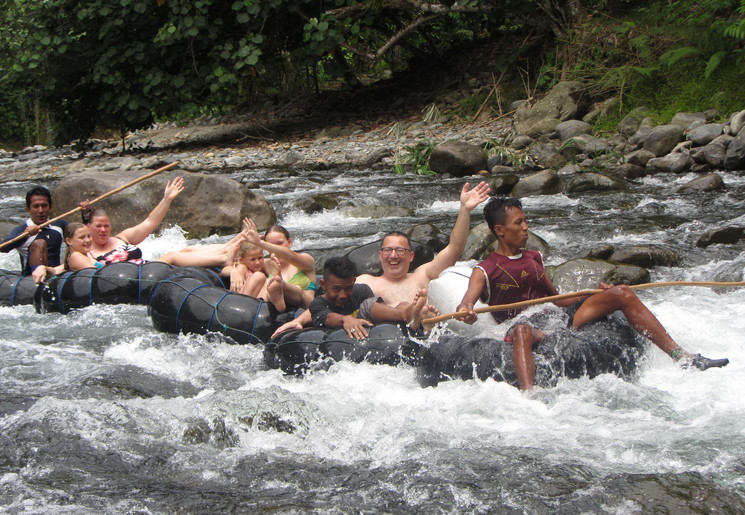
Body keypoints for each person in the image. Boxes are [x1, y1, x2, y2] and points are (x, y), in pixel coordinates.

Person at [455, 197, 729, 391]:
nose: (526, 227)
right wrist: (466, 311)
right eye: (519, 223)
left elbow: (558, 300)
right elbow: (466, 303)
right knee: (524, 331)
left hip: (557, 317)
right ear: (500, 230)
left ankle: (683, 357)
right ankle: (530, 395)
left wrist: (590, 295)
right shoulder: (485, 269)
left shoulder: (534, 257)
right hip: (521, 326)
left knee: (622, 292)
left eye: (526, 220)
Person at [272, 181, 491, 335]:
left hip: (426, 333)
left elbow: (455, 248)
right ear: (380, 255)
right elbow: (329, 300)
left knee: (414, 310)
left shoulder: (424, 274)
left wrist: (464, 210)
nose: (393, 255)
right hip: (386, 336)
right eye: (388, 250)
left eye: (400, 251)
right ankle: (414, 314)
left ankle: (418, 316)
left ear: (411, 256)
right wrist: (299, 321)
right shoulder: (366, 282)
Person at [83, 176, 241, 268]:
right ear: (88, 227)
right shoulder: (86, 253)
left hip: (149, 269)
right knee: (172, 255)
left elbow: (150, 221)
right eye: (98, 226)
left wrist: (167, 199)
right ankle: (223, 258)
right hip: (135, 278)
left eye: (106, 226)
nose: (103, 230)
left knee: (185, 250)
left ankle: (229, 246)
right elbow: (70, 265)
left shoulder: (121, 238)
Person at [310, 256, 427, 339]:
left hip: (371, 333)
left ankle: (412, 315)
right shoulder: (317, 304)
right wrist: (346, 319)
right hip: (338, 341)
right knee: (367, 306)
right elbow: (329, 318)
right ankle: (406, 315)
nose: (342, 295)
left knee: (400, 305)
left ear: (354, 281)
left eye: (348, 288)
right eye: (336, 289)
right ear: (323, 284)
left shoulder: (361, 290)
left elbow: (377, 312)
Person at [1, 186, 77, 279]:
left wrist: (86, 214)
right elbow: (3, 247)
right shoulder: (21, 230)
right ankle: (39, 278)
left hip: (56, 274)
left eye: (44, 206)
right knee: (39, 243)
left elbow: (80, 234)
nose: (40, 211)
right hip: (30, 277)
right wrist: (25, 235)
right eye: (36, 206)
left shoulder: (59, 224)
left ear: (50, 207)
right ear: (28, 209)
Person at [224, 240, 287, 311]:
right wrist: (234, 271)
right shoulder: (242, 268)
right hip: (239, 303)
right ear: (242, 260)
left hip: (259, 304)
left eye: (260, 257)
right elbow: (224, 271)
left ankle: (276, 301)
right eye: (252, 259)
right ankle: (244, 305)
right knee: (259, 276)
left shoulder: (264, 267)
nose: (257, 262)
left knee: (270, 281)